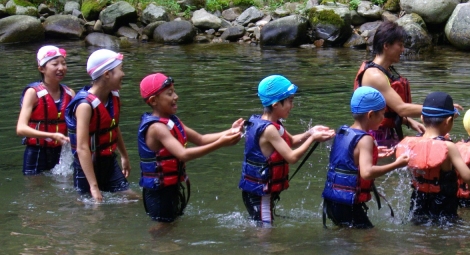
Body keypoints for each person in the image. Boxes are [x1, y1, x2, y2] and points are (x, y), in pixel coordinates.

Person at [138, 73, 244, 222]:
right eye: (169, 94)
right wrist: (220, 143)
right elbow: (183, 154)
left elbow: (201, 139)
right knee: (162, 230)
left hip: (171, 187)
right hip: (159, 192)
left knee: (170, 228)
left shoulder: (172, 121)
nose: (176, 96)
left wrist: (231, 131)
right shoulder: (157, 128)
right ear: (153, 101)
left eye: (174, 91)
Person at [239, 75, 335, 225]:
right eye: (290, 101)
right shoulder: (269, 129)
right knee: (265, 233)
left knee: (262, 228)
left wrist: (310, 132)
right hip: (260, 194)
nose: (292, 105)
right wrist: (313, 139)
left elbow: (292, 141)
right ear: (276, 104)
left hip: (257, 190)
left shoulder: (267, 122)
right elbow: (291, 157)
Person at [321, 87, 410, 228]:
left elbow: (348, 160)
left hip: (332, 201)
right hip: (347, 205)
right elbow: (367, 173)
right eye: (382, 114)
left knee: (347, 240)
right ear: (370, 115)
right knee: (370, 240)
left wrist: (373, 154)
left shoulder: (343, 131)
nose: (383, 119)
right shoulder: (366, 139)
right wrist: (397, 164)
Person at [395, 92, 470, 224]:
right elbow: (468, 177)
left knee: (419, 227)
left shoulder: (411, 144)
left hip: (418, 200)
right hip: (443, 204)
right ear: (449, 121)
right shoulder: (448, 146)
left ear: (422, 118)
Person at [65, 49, 132, 202]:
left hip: (108, 162)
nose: (123, 74)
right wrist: (93, 187)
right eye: (120, 69)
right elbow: (82, 147)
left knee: (131, 200)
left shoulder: (113, 97)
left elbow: (113, 127)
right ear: (107, 74)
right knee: (90, 208)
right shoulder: (85, 106)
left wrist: (124, 156)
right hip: (86, 167)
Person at [354, 20, 426, 147]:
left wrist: (408, 121)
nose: (403, 50)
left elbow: (388, 112)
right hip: (374, 137)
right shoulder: (374, 75)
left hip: (386, 133)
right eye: (400, 45)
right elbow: (402, 109)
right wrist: (440, 109)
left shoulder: (385, 71)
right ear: (386, 45)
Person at [17, 46, 75, 175]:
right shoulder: (33, 93)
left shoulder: (69, 93)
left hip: (61, 151)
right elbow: (21, 129)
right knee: (35, 190)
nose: (61, 68)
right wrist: (51, 136)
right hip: (36, 151)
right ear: (42, 68)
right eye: (55, 64)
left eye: (64, 64)